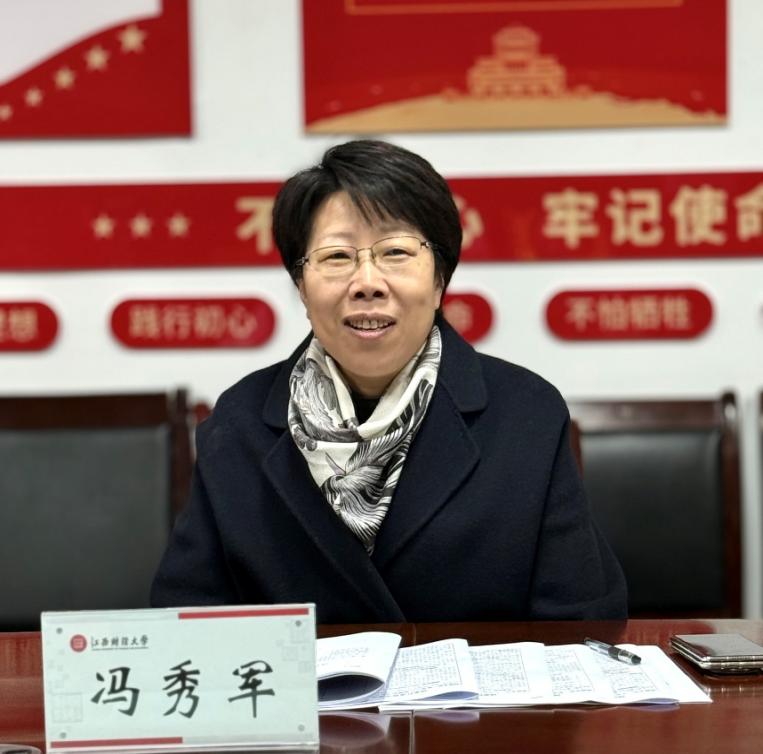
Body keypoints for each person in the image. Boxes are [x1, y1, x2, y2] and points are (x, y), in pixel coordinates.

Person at [151, 140, 627, 622]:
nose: (367, 283)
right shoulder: (239, 424)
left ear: (440, 279)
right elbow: (185, 621)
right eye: (336, 257)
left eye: (395, 251)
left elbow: (581, 622)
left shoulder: (526, 415)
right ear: (301, 286)